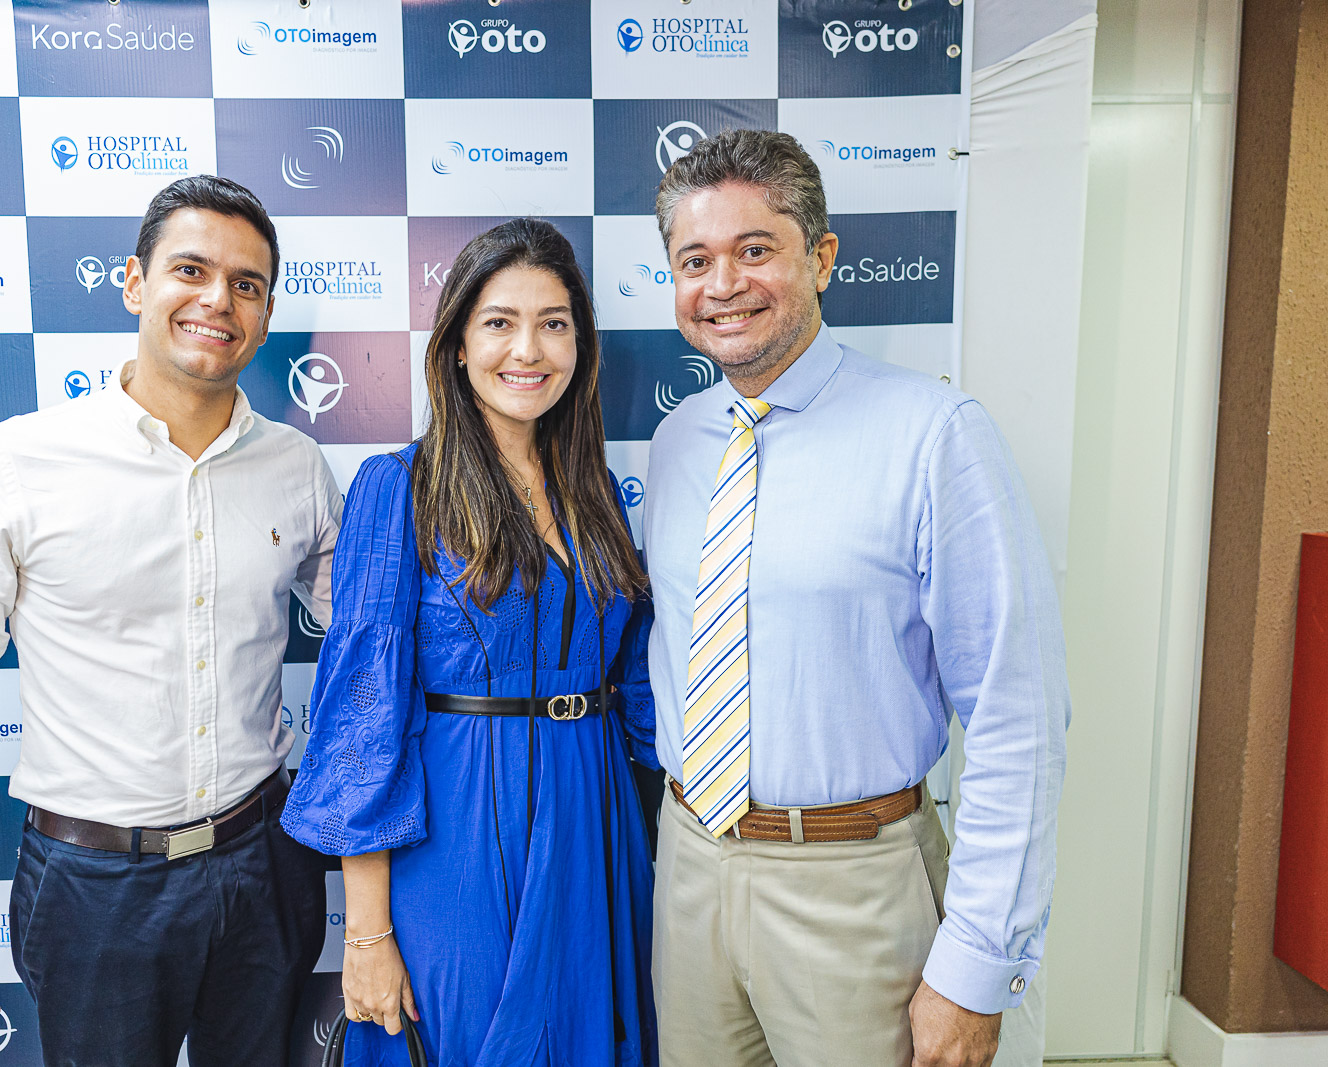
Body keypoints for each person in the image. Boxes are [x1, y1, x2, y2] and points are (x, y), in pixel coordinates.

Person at [0, 174, 342, 1067]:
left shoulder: (299, 466)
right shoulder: (7, 463)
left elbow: (372, 637)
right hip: (94, 887)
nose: (218, 300)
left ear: (263, 317)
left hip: (264, 863)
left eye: (246, 284)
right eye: (191, 270)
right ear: (136, 283)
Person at [644, 129, 1069, 1067]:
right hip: (689, 871)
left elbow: (1018, 718)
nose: (723, 284)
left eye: (756, 249)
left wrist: (977, 967)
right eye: (695, 260)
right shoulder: (677, 443)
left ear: (823, 257)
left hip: (858, 889)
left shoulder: (935, 435)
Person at [282, 218, 659, 1066]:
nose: (528, 349)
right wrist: (366, 932)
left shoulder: (596, 489)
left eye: (554, 323)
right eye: (499, 322)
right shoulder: (398, 486)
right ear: (457, 345)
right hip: (456, 836)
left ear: (580, 344)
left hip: (596, 817)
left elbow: (638, 681)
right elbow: (364, 725)